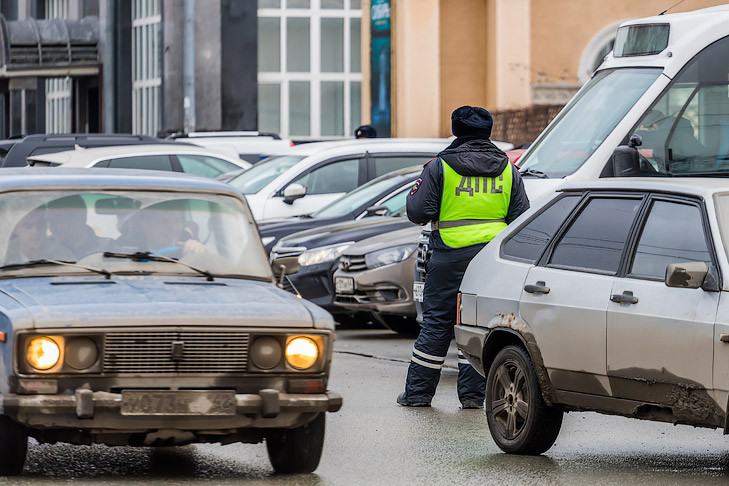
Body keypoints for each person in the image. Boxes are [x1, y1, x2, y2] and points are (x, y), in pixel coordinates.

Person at [397, 105, 530, 409]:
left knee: (437, 324)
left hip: (449, 256)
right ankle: (473, 396)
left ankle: (418, 394)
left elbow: (417, 212)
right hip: (491, 262)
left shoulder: (439, 167)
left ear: (456, 130)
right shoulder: (508, 169)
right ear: (488, 131)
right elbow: (522, 217)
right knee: (478, 324)